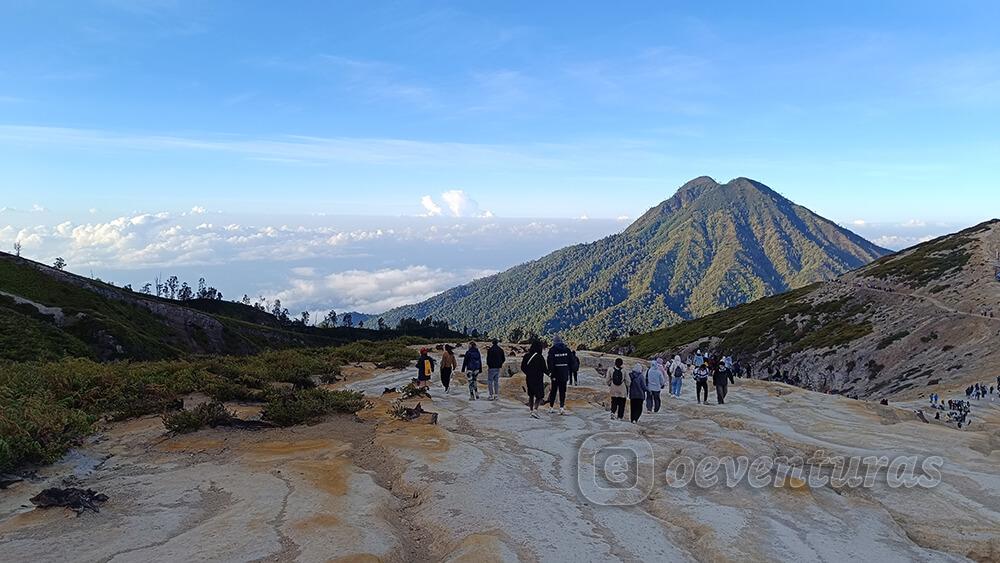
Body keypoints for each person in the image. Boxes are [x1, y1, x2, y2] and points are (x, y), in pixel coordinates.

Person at [546, 336, 573, 414]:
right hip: (564, 373)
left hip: (555, 373)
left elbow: (550, 362)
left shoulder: (552, 350)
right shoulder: (567, 350)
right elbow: (571, 361)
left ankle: (551, 407)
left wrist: (550, 372)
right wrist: (569, 371)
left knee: (553, 391)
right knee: (562, 391)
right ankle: (561, 408)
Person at [521, 341, 548, 418]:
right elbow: (544, 369)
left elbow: (522, 367)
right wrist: (550, 374)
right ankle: (535, 410)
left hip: (529, 378)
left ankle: (531, 410)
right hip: (538, 378)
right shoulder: (540, 357)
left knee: (531, 394)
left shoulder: (526, 356)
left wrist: (528, 373)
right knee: (539, 395)